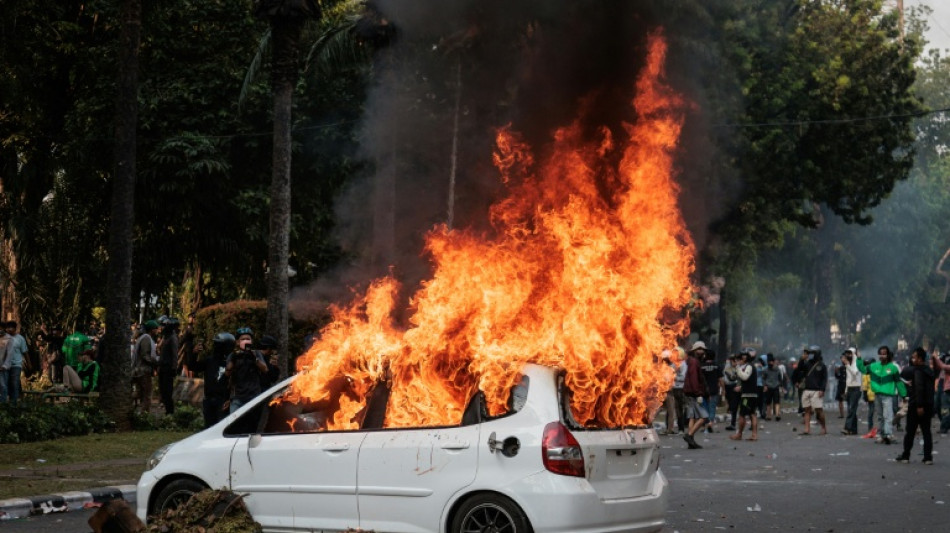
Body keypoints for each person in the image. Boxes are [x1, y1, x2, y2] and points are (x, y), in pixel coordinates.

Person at [857, 346, 904, 445]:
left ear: (888, 355)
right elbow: (862, 369)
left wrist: (904, 395)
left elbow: (899, 383)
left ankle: (888, 434)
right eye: (881, 354)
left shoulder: (893, 368)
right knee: (880, 416)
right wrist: (859, 358)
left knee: (888, 416)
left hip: (888, 396)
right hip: (877, 395)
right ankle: (882, 435)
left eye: (884, 354)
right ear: (878, 355)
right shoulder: (873, 366)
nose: (882, 356)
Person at [896, 347, 935, 465]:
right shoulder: (929, 371)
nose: (912, 359)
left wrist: (919, 405)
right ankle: (928, 457)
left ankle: (906, 455)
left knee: (911, 431)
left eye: (914, 357)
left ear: (920, 358)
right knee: (926, 431)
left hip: (917, 405)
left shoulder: (917, 371)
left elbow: (919, 388)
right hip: (928, 405)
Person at [193, 332, 234, 428]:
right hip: (208, 399)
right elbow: (194, 366)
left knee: (220, 427)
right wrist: (194, 354)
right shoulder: (210, 360)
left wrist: (230, 399)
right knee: (209, 427)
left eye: (218, 345)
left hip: (223, 400)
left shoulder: (232, 362)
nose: (216, 348)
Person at [225, 327, 268, 414]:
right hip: (237, 398)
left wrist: (254, 358)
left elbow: (265, 369)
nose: (245, 341)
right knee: (235, 425)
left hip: (254, 397)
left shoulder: (256, 353)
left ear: (251, 341)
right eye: (243, 339)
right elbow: (227, 373)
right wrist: (234, 359)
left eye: (248, 339)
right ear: (238, 342)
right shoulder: (234, 355)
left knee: (252, 425)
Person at [682, 341, 708, 449]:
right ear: (694, 351)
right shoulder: (694, 362)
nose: (701, 351)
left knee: (692, 417)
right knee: (704, 416)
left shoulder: (691, 361)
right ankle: (689, 435)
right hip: (694, 393)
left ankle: (691, 442)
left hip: (689, 392)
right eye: (699, 349)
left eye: (702, 349)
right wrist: (698, 393)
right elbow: (694, 379)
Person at [132, 320, 161, 413]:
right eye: (156, 329)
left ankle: (136, 411)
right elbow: (145, 356)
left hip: (140, 370)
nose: (158, 331)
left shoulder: (144, 337)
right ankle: (144, 415)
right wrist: (156, 362)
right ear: (152, 330)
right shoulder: (146, 338)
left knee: (140, 393)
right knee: (146, 395)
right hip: (143, 371)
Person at [730, 350, 759, 441]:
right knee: (752, 414)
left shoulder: (749, 367)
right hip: (751, 394)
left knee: (742, 414)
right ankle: (754, 435)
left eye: (740, 359)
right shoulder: (749, 366)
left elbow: (745, 377)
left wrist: (737, 367)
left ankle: (739, 434)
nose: (739, 361)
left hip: (747, 395)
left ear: (744, 358)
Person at [800, 345, 827, 436]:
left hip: (817, 390)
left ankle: (823, 427)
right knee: (807, 410)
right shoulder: (807, 364)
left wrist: (822, 389)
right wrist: (802, 359)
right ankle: (807, 429)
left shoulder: (822, 365)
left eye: (812, 353)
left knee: (819, 410)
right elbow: (799, 370)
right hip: (807, 389)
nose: (810, 355)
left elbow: (824, 379)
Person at [1, 321, 27, 405]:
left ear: (15, 328)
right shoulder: (3, 338)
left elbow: (25, 352)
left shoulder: (20, 339)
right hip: (4, 365)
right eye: (8, 327)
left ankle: (14, 403)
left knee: (14, 383)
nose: (9, 329)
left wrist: (29, 364)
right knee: (4, 384)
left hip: (16, 364)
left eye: (11, 327)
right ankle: (5, 403)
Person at [158, 318, 180, 415]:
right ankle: (168, 411)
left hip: (168, 368)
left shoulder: (172, 338)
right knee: (163, 391)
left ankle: (170, 412)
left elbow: (175, 354)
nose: (161, 327)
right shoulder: (166, 337)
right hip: (163, 368)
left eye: (163, 326)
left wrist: (174, 368)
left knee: (167, 391)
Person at [699, 347, 723, 433]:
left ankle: (704, 425)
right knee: (712, 407)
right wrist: (723, 390)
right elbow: (720, 379)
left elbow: (700, 379)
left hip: (704, 391)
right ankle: (710, 423)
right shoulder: (717, 366)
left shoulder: (702, 366)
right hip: (714, 390)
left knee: (704, 408)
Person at [841, 348, 863, 435]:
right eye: (846, 354)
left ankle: (847, 427)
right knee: (852, 410)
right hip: (850, 388)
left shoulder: (857, 363)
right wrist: (846, 390)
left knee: (851, 409)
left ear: (854, 354)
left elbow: (854, 373)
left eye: (850, 353)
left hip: (856, 388)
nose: (847, 356)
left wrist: (847, 365)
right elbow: (848, 379)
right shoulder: (848, 364)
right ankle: (853, 430)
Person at [762, 354, 783, 421]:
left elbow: (780, 378)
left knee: (777, 401)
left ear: (773, 362)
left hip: (776, 387)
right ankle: (768, 415)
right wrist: (765, 385)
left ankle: (777, 414)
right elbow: (763, 378)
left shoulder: (777, 369)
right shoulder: (766, 369)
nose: (769, 363)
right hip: (768, 387)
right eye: (768, 362)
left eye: (771, 361)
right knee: (768, 402)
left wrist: (780, 385)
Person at [722, 353, 740, 431]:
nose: (736, 363)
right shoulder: (727, 367)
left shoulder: (738, 367)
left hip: (735, 387)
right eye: (734, 361)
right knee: (730, 404)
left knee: (734, 406)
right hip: (728, 386)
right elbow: (728, 377)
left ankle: (733, 423)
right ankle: (732, 422)